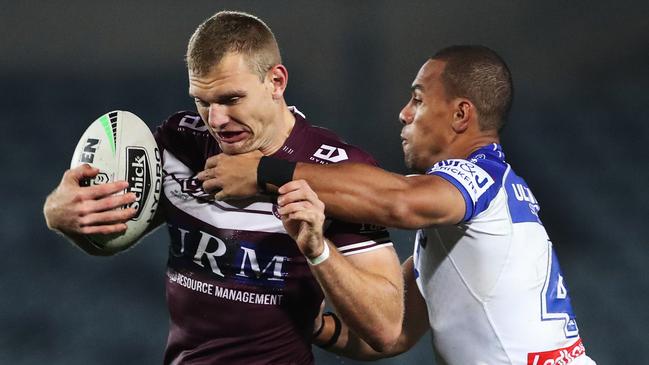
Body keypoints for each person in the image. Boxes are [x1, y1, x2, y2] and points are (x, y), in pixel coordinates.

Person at [42, 11, 404, 364]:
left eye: (231, 99)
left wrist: (317, 250)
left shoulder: (336, 171)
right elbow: (111, 233)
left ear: (276, 82)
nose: (216, 120)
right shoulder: (179, 143)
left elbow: (386, 329)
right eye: (202, 101)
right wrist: (60, 213)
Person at [201, 45, 597, 364]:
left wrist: (264, 171)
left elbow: (400, 201)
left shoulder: (482, 178)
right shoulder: (469, 215)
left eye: (417, 99)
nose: (404, 113)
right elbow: (390, 336)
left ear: (461, 114)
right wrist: (305, 323)